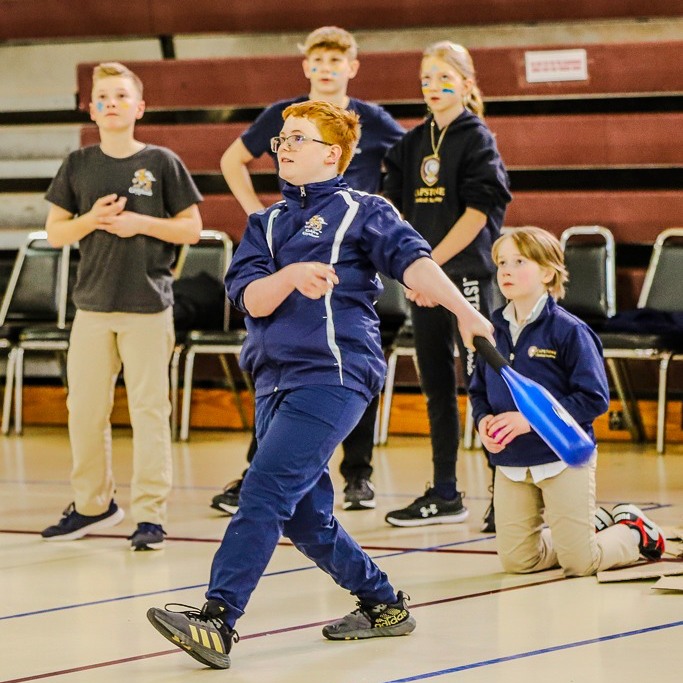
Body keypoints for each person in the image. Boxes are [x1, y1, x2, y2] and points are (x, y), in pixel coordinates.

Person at [147, 100, 494, 669]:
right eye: (281, 138)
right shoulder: (264, 224)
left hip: (334, 373)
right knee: (305, 516)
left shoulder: (364, 209)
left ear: (332, 154)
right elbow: (252, 299)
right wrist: (289, 276)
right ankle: (383, 604)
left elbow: (415, 263)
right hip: (272, 381)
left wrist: (463, 312)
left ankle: (217, 620)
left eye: (297, 139)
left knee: (262, 489)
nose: (282, 147)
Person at [213, 26, 405, 514]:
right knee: (279, 357)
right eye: (318, 61)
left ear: (351, 67)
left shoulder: (372, 120)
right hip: (295, 250)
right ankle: (260, 470)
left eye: (336, 61)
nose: (326, 68)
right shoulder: (287, 115)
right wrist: (253, 209)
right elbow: (232, 158)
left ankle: (358, 476)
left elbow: (407, 163)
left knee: (350, 363)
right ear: (306, 66)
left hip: (352, 259)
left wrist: (391, 216)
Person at [40, 62, 203, 551]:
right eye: (103, 97)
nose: (111, 103)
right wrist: (90, 219)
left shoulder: (161, 162)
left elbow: (191, 228)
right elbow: (54, 233)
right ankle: (93, 505)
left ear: (139, 107)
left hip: (148, 308)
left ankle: (150, 516)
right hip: (91, 307)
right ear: (91, 109)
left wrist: (141, 224)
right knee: (84, 411)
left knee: (150, 412)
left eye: (120, 96)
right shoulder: (77, 164)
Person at [469, 227, 665, 577]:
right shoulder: (489, 330)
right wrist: (483, 420)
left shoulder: (569, 330)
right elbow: (478, 390)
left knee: (581, 563)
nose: (506, 270)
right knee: (518, 562)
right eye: (501, 263)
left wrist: (531, 420)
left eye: (518, 261)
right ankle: (585, 529)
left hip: (563, 458)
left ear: (547, 272)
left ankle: (635, 532)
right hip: (512, 461)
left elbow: (593, 398)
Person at [382, 41, 511, 530]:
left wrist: (428, 262)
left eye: (444, 78)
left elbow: (479, 214)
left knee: (484, 386)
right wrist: (411, 267)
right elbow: (391, 206)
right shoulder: (412, 143)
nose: (434, 87)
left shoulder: (477, 139)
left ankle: (506, 493)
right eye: (426, 80)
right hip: (423, 284)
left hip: (467, 279)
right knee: (436, 386)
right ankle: (444, 492)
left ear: (466, 82)